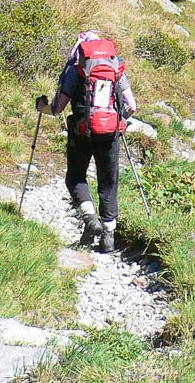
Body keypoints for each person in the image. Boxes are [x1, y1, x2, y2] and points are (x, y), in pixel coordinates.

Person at [36, 31, 136, 252]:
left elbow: (57, 109)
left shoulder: (75, 70)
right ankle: (108, 237)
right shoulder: (116, 67)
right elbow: (132, 106)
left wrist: (40, 106)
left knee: (76, 178)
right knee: (109, 183)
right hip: (110, 134)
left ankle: (90, 219)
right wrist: (119, 121)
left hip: (81, 132)